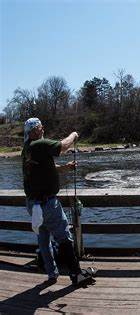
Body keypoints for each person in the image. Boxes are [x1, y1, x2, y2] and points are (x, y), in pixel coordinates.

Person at [22, 117, 93, 285]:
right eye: (39, 127)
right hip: (47, 204)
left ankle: (52, 274)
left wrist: (65, 168)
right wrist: (74, 135)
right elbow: (63, 146)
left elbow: (45, 168)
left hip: (33, 204)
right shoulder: (38, 144)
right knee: (64, 238)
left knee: (44, 240)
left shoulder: (26, 149)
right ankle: (76, 274)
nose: (42, 129)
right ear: (32, 131)